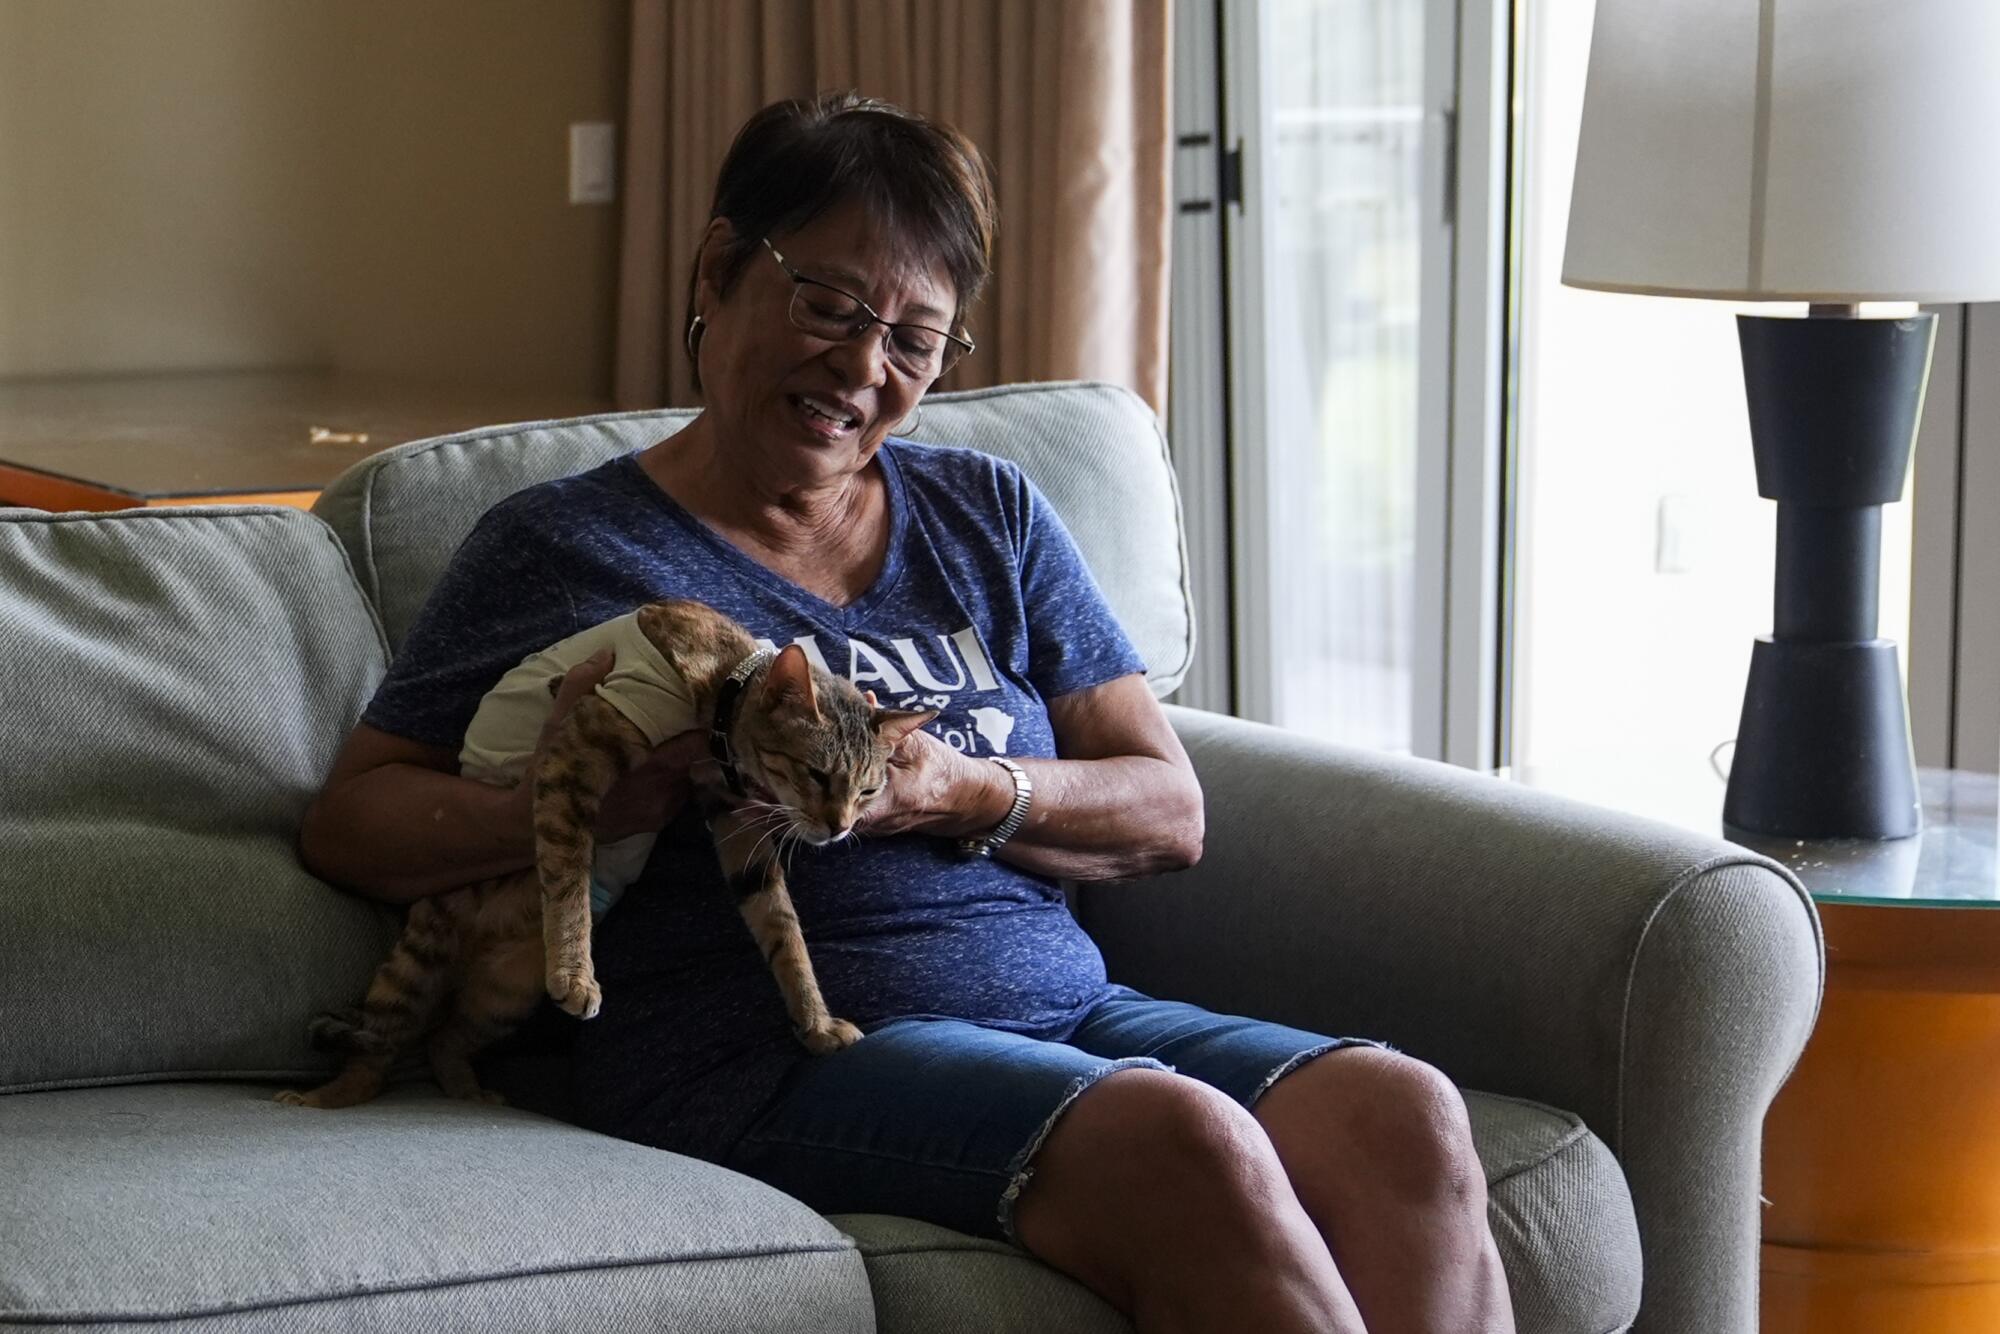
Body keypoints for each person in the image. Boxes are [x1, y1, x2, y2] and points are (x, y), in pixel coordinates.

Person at [299, 91, 1515, 1334]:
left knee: (1401, 1111)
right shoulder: (565, 545)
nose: (861, 368)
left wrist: (962, 790)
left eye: (915, 341)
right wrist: (564, 804)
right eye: (830, 308)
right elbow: (353, 823)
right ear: (718, 269)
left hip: (1061, 1007)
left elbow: (1167, 806)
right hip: (766, 1046)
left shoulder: (985, 513)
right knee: (1178, 1135)